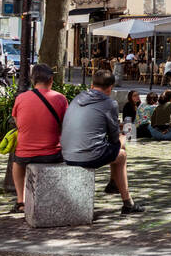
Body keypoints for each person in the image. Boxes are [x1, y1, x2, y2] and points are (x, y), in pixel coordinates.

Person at [61, 67, 144, 214]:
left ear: (92, 85)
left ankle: (113, 183)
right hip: (88, 155)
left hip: (67, 153)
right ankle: (128, 203)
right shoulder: (109, 103)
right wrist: (123, 136)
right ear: (110, 88)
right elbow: (113, 137)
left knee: (115, 150)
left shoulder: (77, 98)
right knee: (121, 151)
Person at [9, 63, 70, 212]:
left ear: (33, 80)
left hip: (25, 154)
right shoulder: (60, 98)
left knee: (16, 162)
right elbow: (66, 124)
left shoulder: (21, 98)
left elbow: (18, 123)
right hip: (52, 153)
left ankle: (20, 200)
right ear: (51, 80)